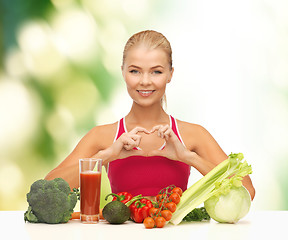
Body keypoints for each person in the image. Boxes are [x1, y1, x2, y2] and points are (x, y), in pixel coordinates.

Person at [45, 30, 255, 200]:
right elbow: (47, 190)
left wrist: (189, 157)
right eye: (135, 71)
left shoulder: (192, 134)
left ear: (170, 74)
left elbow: (247, 190)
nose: (145, 81)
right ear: (123, 72)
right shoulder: (103, 136)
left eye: (156, 71)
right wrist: (105, 156)